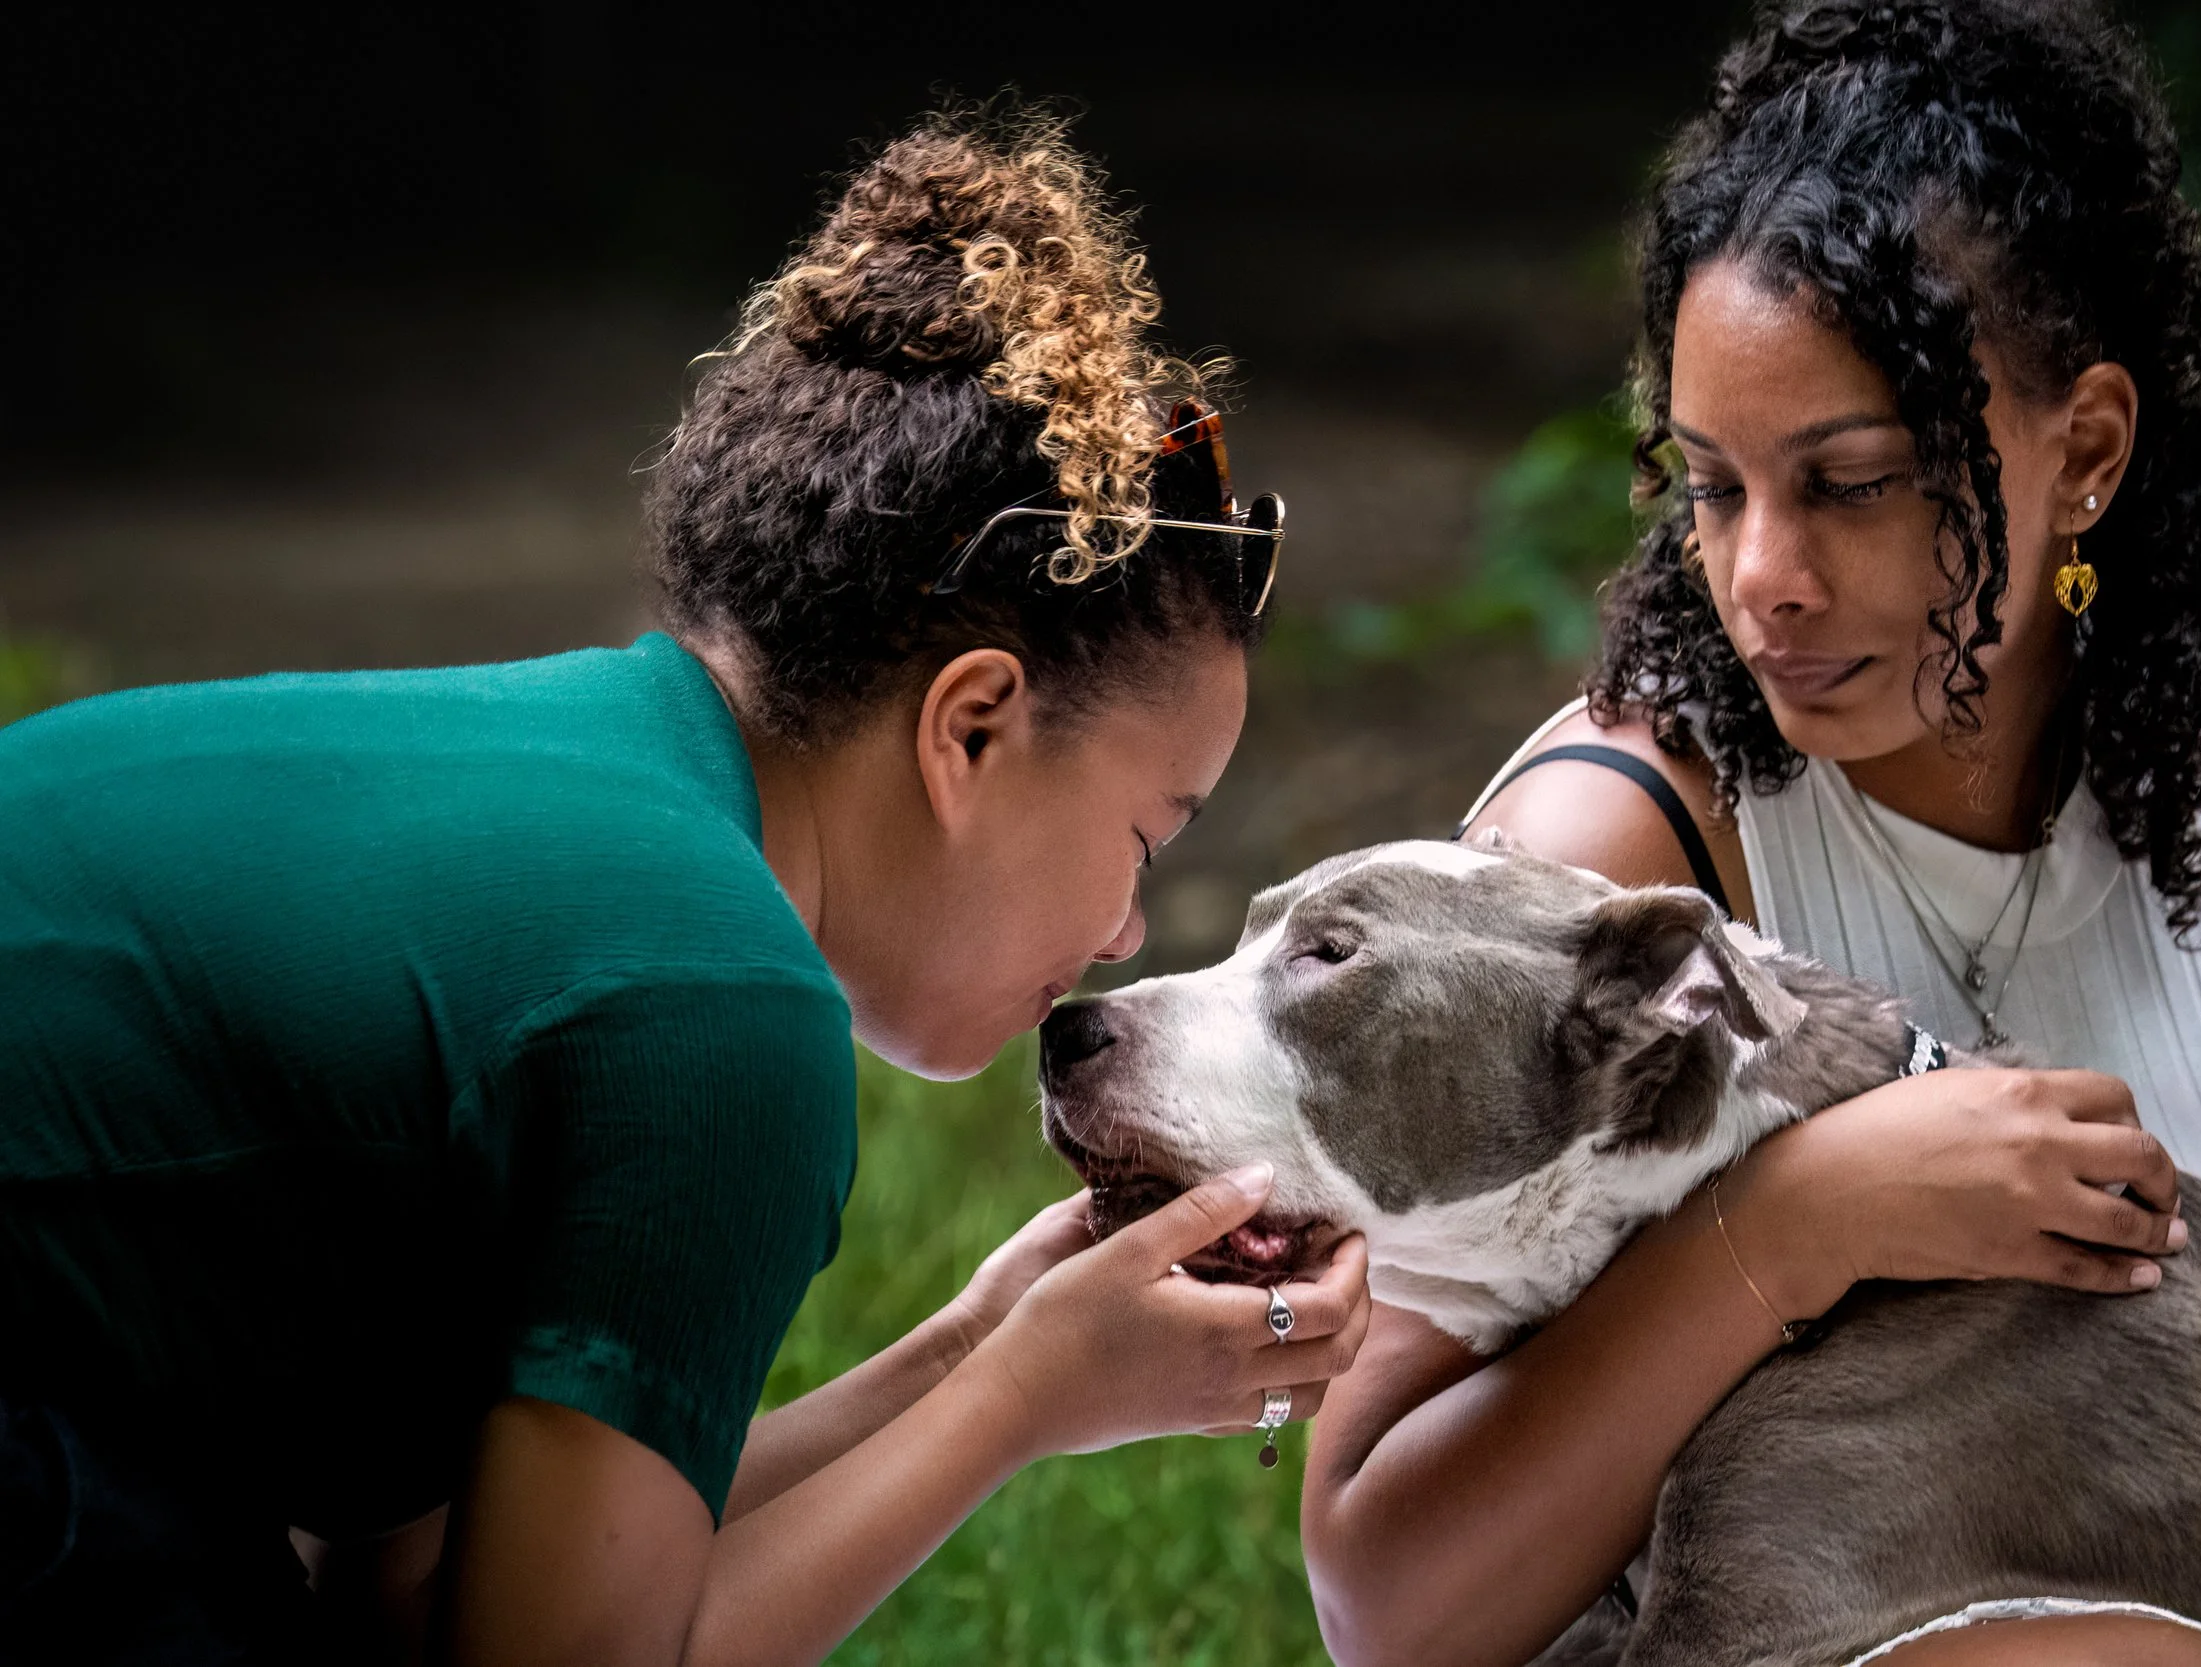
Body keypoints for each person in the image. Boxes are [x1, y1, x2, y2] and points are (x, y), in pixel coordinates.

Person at [0, 112, 1367, 1665]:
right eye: (1146, 839)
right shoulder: (719, 1007)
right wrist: (1020, 1401)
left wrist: (980, 1348)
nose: (1125, 928)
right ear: (972, 727)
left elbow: (412, 1589)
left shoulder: (590, 781)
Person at [1300, 4, 2201, 1663]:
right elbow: (1383, 1603)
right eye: (1714, 485)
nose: (1762, 577)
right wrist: (1802, 1219)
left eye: (1851, 482)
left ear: (2085, 450)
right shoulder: (1612, 862)